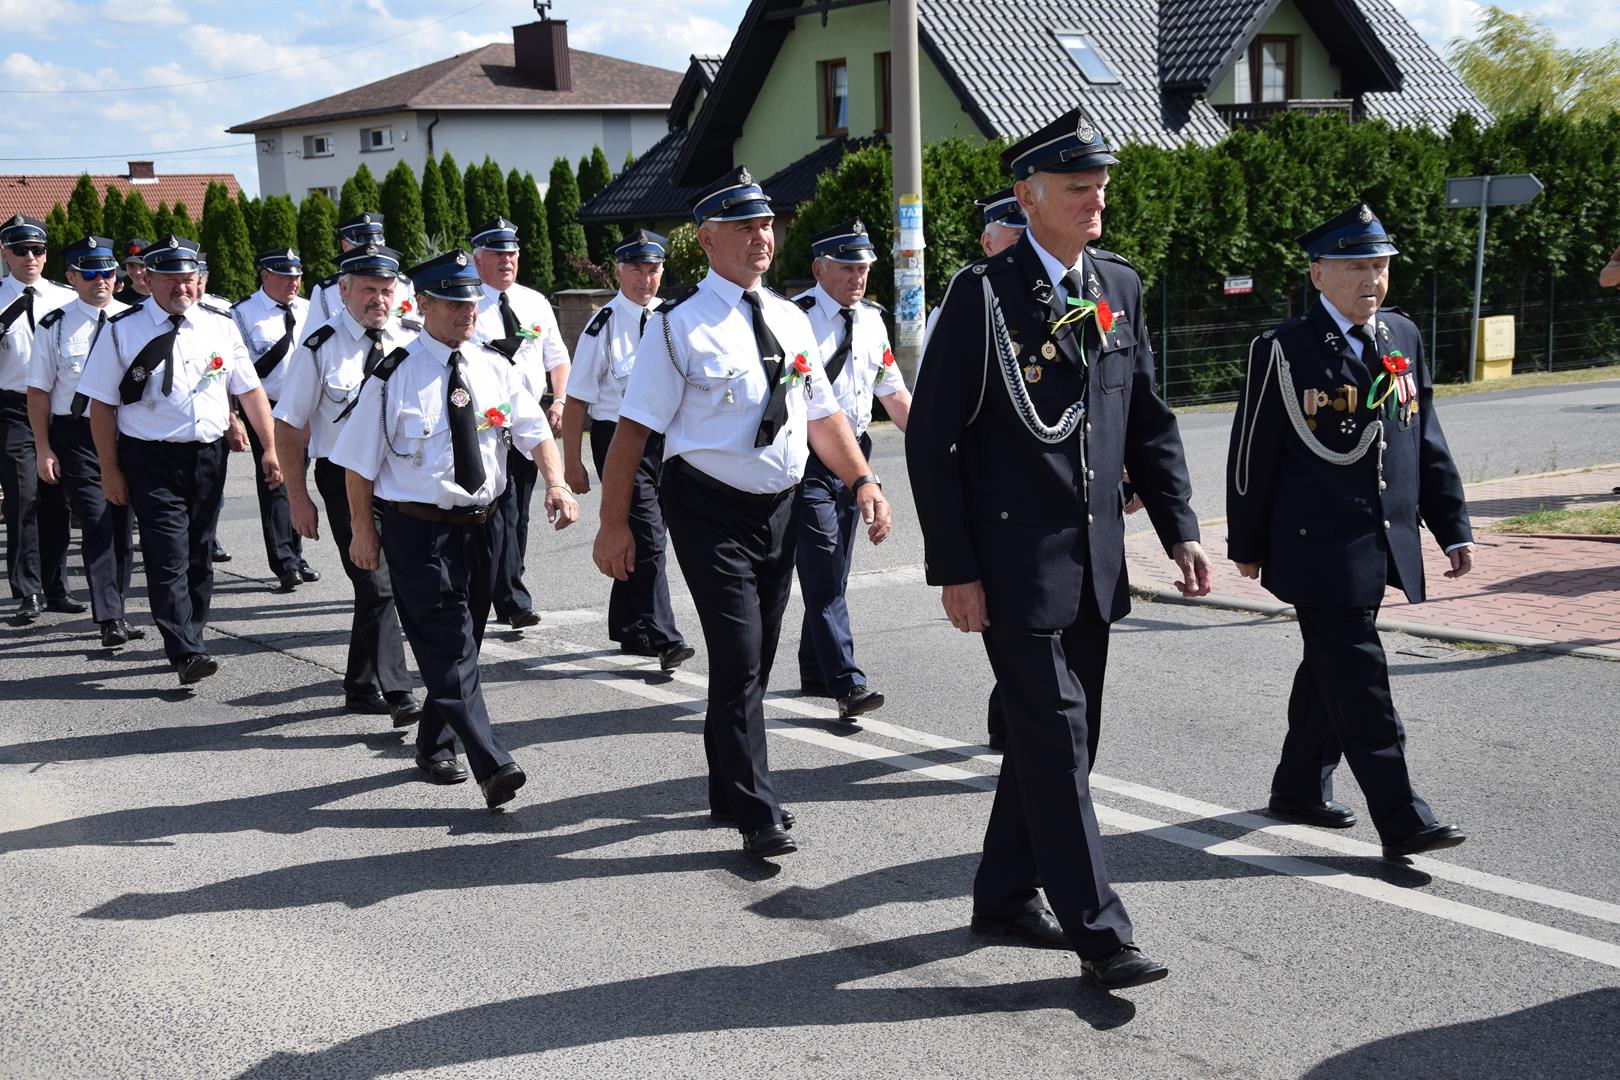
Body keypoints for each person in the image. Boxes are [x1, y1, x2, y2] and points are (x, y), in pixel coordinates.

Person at [906, 108, 1210, 990]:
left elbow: (1146, 419)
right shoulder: (983, 294)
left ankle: (1004, 892)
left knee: (1067, 741)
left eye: (1100, 185)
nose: (1096, 199)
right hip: (1013, 565)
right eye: (1078, 188)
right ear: (1028, 196)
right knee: (1057, 734)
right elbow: (934, 442)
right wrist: (955, 569)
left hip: (1096, 561)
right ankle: (1101, 934)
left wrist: (1179, 527)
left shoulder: (1118, 284)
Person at [592, 167, 892, 861]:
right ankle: (758, 808)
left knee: (750, 662)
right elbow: (632, 434)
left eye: (766, 225)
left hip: (780, 506)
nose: (763, 237)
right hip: (706, 507)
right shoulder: (677, 326)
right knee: (737, 652)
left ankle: (727, 787)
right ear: (706, 240)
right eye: (745, 227)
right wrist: (613, 524)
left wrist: (864, 480)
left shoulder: (790, 318)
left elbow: (821, 415)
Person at [1226, 201, 1472, 862]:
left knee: (1329, 665)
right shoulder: (1285, 349)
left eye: (1381, 264)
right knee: (1360, 676)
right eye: (1357, 265)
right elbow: (1252, 452)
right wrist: (1246, 546)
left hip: (1381, 537)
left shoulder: (1402, 338)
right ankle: (1404, 816)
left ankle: (1300, 784)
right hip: (1317, 545)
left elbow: (1426, 440)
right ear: (1318, 274)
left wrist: (1452, 527)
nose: (1373, 279)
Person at [329, 249, 578, 809]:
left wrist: (557, 484)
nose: (469, 311)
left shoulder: (495, 364)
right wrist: (362, 534)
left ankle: (434, 741)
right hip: (418, 532)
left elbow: (534, 431)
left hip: (484, 526)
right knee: (448, 644)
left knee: (467, 642)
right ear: (424, 305)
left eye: (472, 301)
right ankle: (491, 761)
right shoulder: (392, 375)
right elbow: (358, 463)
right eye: (455, 302)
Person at [78, 236, 283, 686]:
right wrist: (109, 469)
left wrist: (270, 448)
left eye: (189, 279)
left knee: (198, 553)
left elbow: (249, 390)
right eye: (171, 279)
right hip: (148, 458)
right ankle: (185, 648)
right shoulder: (122, 330)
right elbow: (101, 405)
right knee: (166, 553)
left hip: (206, 456)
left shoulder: (220, 326)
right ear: (148, 279)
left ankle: (192, 632)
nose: (182, 288)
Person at [273, 242, 423, 727]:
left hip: (400, 477)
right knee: (375, 581)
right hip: (341, 478)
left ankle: (360, 685)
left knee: (381, 587)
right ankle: (399, 692)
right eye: (367, 290)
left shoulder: (412, 340)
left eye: (386, 290)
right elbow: (291, 427)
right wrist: (299, 499)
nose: (378, 300)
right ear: (343, 291)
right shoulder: (320, 346)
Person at [790, 218, 910, 720]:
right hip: (810, 457)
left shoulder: (873, 321)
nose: (857, 276)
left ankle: (815, 666)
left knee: (834, 570)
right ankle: (848, 682)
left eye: (863, 267)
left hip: (856, 451)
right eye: (846, 266)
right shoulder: (794, 318)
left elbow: (894, 394)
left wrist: (938, 446)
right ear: (819, 268)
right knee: (821, 570)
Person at [561, 229, 693, 669]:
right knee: (650, 535)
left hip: (666, 439)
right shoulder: (601, 326)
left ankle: (628, 622)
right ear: (619, 271)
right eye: (636, 268)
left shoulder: (674, 320)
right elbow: (577, 398)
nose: (645, 277)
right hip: (618, 439)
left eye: (653, 268)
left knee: (643, 533)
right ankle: (664, 635)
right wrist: (572, 463)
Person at [26, 235, 142, 647]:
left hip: (126, 434)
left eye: (108, 271)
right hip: (75, 435)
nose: (101, 280)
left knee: (121, 523)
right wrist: (43, 447)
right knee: (96, 521)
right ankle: (109, 616)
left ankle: (120, 608)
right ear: (72, 276)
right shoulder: (55, 326)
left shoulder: (136, 320)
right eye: (90, 273)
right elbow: (39, 390)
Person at [468, 216, 572, 630]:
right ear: (478, 260)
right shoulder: (467, 303)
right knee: (501, 510)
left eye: (512, 252)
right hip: (485, 426)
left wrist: (559, 399)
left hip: (529, 423)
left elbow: (557, 357)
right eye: (497, 252)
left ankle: (505, 584)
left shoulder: (535, 302)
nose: (507, 259)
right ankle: (511, 598)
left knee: (520, 514)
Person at [1, 213, 80, 623]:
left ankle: (57, 586)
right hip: (13, 407)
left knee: (57, 499)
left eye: (37, 249)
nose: (30, 257)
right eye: (20, 249)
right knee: (23, 496)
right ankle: (27, 589)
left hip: (59, 407)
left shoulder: (66, 298)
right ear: (5, 253)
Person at [233, 248, 318, 591]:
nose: (293, 283)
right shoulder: (241, 313)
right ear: (265, 276)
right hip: (266, 406)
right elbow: (235, 371)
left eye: (297, 276)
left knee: (297, 479)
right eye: (285, 276)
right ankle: (283, 561)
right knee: (275, 480)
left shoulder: (310, 309)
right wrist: (233, 415)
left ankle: (296, 552)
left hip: (305, 407)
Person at [921, 189, 1027, 351]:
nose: (1030, 249)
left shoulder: (1056, 290)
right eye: (1019, 239)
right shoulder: (964, 299)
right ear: (988, 244)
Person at [310, 213, 416, 326]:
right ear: (345, 246)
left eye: (378, 247)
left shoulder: (404, 285)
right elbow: (312, 338)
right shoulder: (326, 291)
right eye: (362, 249)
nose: (372, 256)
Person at [113, 238, 151, 307]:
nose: (137, 272)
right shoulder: (116, 302)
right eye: (131, 266)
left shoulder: (166, 297)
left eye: (142, 265)